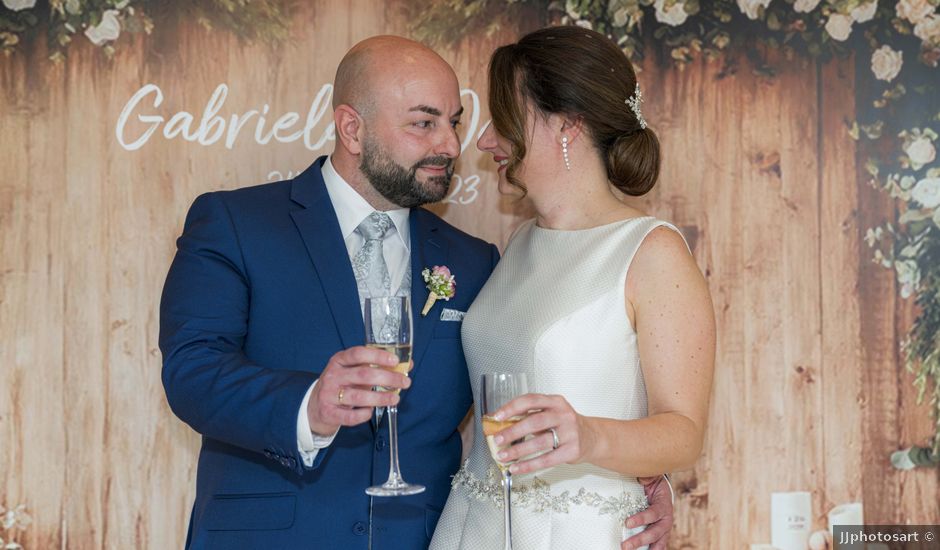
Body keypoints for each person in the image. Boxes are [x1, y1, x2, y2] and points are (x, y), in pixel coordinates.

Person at [160, 35, 675, 549]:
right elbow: (193, 370)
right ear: (352, 128)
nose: (450, 146)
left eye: (453, 122)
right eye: (424, 123)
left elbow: (519, 393)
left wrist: (637, 477)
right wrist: (308, 405)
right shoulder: (235, 222)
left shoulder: (476, 262)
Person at [430, 26, 715, 550]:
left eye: (504, 117)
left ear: (567, 123)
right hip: (473, 525)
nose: (486, 139)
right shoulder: (519, 244)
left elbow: (683, 431)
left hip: (576, 533)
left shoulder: (652, 252)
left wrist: (591, 436)